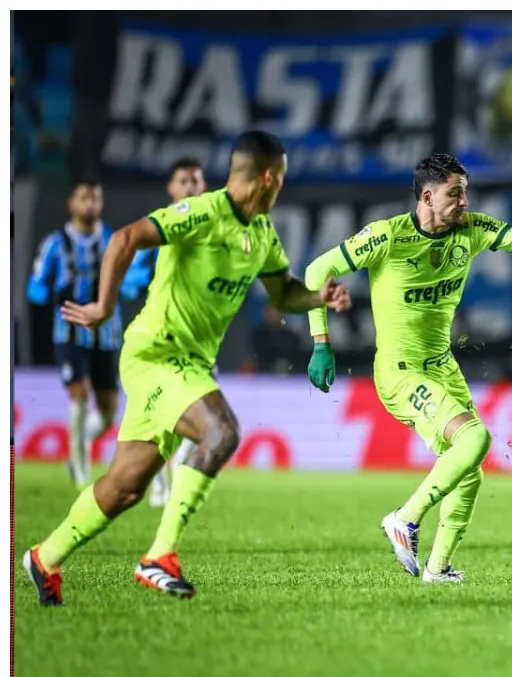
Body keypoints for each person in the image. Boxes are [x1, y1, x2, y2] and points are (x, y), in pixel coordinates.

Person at [21, 131, 352, 606]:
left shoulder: (261, 232)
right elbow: (125, 238)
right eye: (280, 179)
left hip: (187, 365)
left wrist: (317, 297)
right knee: (220, 431)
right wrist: (102, 305)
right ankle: (160, 556)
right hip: (156, 354)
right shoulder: (203, 212)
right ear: (266, 177)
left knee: (124, 488)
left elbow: (283, 294)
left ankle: (45, 557)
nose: (281, 188)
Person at [303, 153, 512, 585]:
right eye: (455, 193)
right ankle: (404, 519)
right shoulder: (388, 236)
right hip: (401, 372)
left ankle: (437, 569)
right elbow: (318, 270)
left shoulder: (473, 230)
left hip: (442, 367)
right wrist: (321, 342)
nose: (465, 201)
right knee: (475, 438)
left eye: (465, 191)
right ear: (427, 195)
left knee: (467, 467)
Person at [26, 179, 149, 487]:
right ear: (71, 203)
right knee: (79, 395)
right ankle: (80, 472)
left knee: (108, 411)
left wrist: (137, 283)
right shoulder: (56, 244)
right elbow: (35, 287)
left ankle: (76, 447)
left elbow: (131, 280)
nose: (90, 204)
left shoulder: (114, 240)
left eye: (95, 198)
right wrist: (52, 294)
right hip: (68, 332)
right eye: (84, 198)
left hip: (106, 334)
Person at [146, 156, 210, 507]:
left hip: (201, 338)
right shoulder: (160, 227)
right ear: (171, 188)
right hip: (165, 336)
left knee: (207, 419)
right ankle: (159, 482)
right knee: (161, 419)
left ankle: (177, 469)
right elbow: (136, 272)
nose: (190, 187)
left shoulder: (212, 228)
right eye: (183, 181)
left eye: (195, 181)